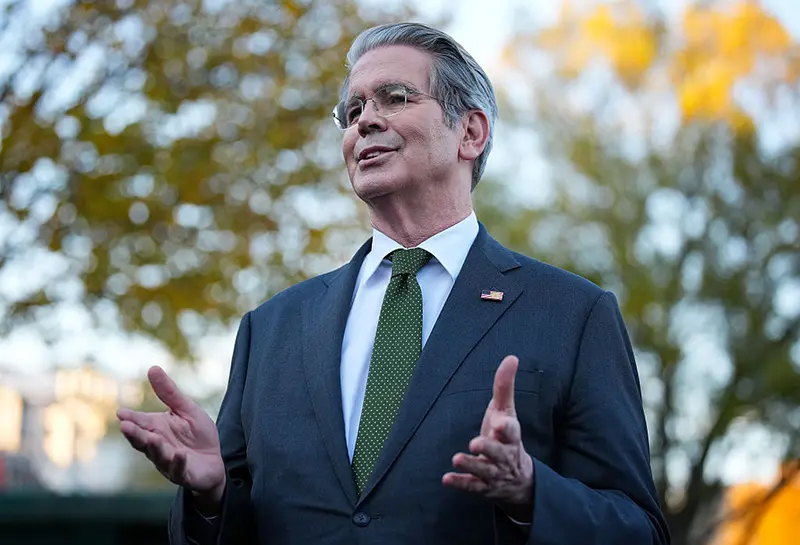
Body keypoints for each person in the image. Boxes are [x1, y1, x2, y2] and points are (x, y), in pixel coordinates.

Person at [117, 22, 670, 545]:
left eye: (395, 98)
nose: (364, 122)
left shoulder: (572, 313)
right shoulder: (271, 329)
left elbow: (637, 529)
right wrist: (211, 495)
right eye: (353, 110)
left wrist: (529, 491)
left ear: (470, 132)